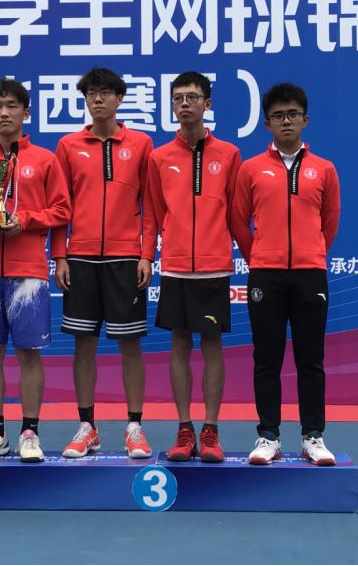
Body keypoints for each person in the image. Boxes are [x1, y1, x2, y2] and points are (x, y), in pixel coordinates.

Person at [0, 79, 71, 462]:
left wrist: (25, 220)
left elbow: (62, 210)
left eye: (11, 106)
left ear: (26, 112)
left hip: (29, 270)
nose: (4, 113)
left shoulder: (45, 160)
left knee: (29, 354)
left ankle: (30, 433)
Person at [231, 83, 341, 466]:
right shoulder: (251, 169)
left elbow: (329, 221)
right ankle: (268, 436)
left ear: (305, 120)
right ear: (267, 124)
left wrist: (312, 252)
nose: (286, 121)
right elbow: (238, 220)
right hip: (266, 276)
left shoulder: (324, 169)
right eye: (278, 116)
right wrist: (260, 256)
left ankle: (313, 436)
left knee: (311, 359)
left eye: (293, 114)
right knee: (267, 358)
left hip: (310, 274)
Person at [51, 67, 154, 459]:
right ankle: (87, 426)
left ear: (119, 98)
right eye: (91, 93)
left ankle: (134, 427)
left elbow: (151, 207)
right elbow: (60, 207)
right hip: (80, 258)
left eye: (105, 93)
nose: (97, 99)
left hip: (126, 258)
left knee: (130, 344)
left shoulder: (141, 144)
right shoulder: (68, 146)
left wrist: (147, 254)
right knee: (84, 344)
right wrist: (60, 255)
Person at [143, 71, 241, 462]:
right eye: (178, 98)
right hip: (176, 267)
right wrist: (147, 256)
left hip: (215, 267)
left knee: (212, 345)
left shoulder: (229, 155)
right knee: (179, 343)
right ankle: (184, 429)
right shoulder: (159, 157)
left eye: (193, 97)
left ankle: (211, 430)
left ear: (207, 104)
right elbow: (153, 214)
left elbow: (236, 213)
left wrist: (253, 258)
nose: (185, 104)